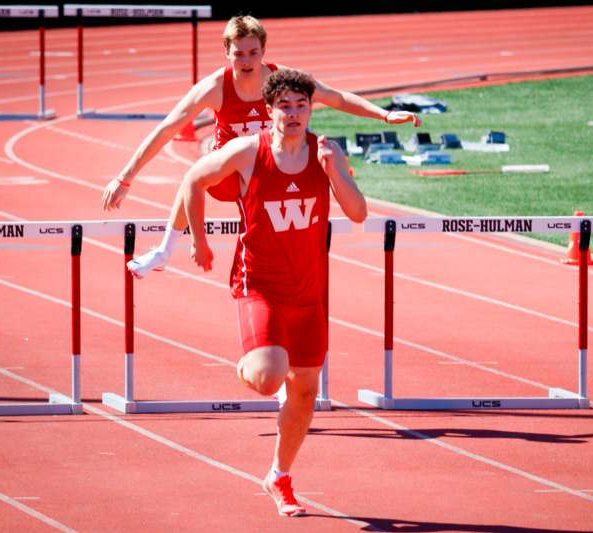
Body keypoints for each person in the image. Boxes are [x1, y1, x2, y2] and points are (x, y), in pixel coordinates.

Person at [101, 15, 418, 277]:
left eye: (253, 52)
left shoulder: (282, 82)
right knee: (195, 174)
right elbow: (167, 128)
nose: (247, 61)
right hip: (230, 177)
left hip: (275, 168)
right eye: (239, 54)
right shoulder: (214, 87)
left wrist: (384, 114)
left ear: (264, 50)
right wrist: (125, 178)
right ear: (227, 52)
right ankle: (164, 250)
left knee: (327, 158)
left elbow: (336, 97)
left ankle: (322, 228)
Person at [181, 69, 365, 517]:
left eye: (301, 105)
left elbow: (358, 213)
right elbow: (193, 180)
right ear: (269, 111)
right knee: (268, 378)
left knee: (304, 394)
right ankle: (252, 361)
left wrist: (334, 173)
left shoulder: (328, 153)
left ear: (311, 109)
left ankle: (279, 476)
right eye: (284, 105)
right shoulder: (248, 152)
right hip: (259, 285)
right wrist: (197, 240)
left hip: (309, 294)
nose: (294, 113)